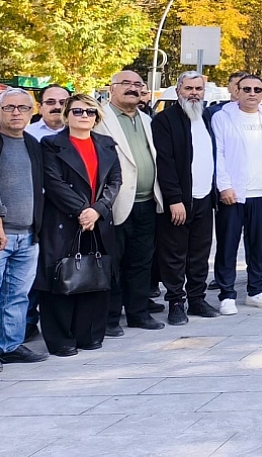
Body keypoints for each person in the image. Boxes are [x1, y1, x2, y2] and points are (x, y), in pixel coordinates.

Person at [37, 95, 122, 356]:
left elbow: (114, 181)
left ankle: (89, 334)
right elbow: (53, 183)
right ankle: (61, 338)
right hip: (64, 221)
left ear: (97, 117)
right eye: (77, 111)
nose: (84, 116)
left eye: (90, 112)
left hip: (98, 221)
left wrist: (97, 210)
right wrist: (82, 211)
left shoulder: (107, 144)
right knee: (61, 278)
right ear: (66, 115)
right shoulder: (51, 144)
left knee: (94, 276)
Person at [92, 70, 165, 337]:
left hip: (147, 201)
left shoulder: (147, 120)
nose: (133, 88)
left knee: (141, 261)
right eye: (126, 84)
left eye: (138, 84)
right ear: (112, 88)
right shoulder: (99, 119)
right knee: (113, 263)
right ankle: (110, 319)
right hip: (114, 204)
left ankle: (138, 314)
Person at [212, 74, 262, 314]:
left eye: (257, 89)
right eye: (246, 89)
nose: (252, 93)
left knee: (260, 245)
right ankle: (227, 294)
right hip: (233, 194)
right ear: (237, 91)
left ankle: (255, 291)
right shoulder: (222, 118)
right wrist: (224, 186)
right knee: (228, 245)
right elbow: (219, 154)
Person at [151, 72, 220, 325]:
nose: (194, 93)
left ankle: (197, 299)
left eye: (198, 88)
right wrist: (174, 199)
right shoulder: (165, 120)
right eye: (189, 88)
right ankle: (176, 302)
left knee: (200, 253)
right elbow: (164, 162)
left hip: (204, 198)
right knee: (174, 254)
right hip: (180, 201)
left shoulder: (208, 118)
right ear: (178, 90)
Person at [0, 89, 49, 368]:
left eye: (23, 108)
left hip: (28, 235)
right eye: (9, 107)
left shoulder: (32, 143)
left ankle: (10, 346)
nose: (16, 112)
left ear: (32, 111)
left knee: (16, 295)